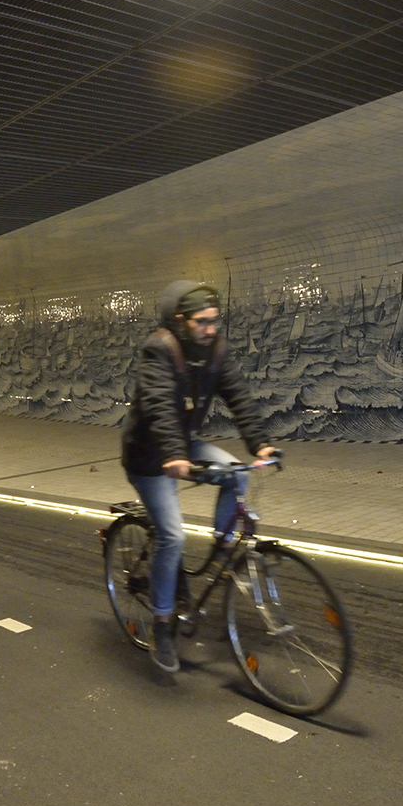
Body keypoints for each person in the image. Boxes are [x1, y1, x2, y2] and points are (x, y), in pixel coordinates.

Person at [121, 281, 276, 674]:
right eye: (201, 322)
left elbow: (239, 397)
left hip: (183, 445)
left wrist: (260, 445)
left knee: (236, 476)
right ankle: (162, 626)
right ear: (180, 321)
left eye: (214, 320)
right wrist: (173, 455)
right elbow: (159, 406)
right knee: (172, 537)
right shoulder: (159, 350)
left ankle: (222, 552)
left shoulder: (216, 351)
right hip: (149, 455)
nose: (210, 329)